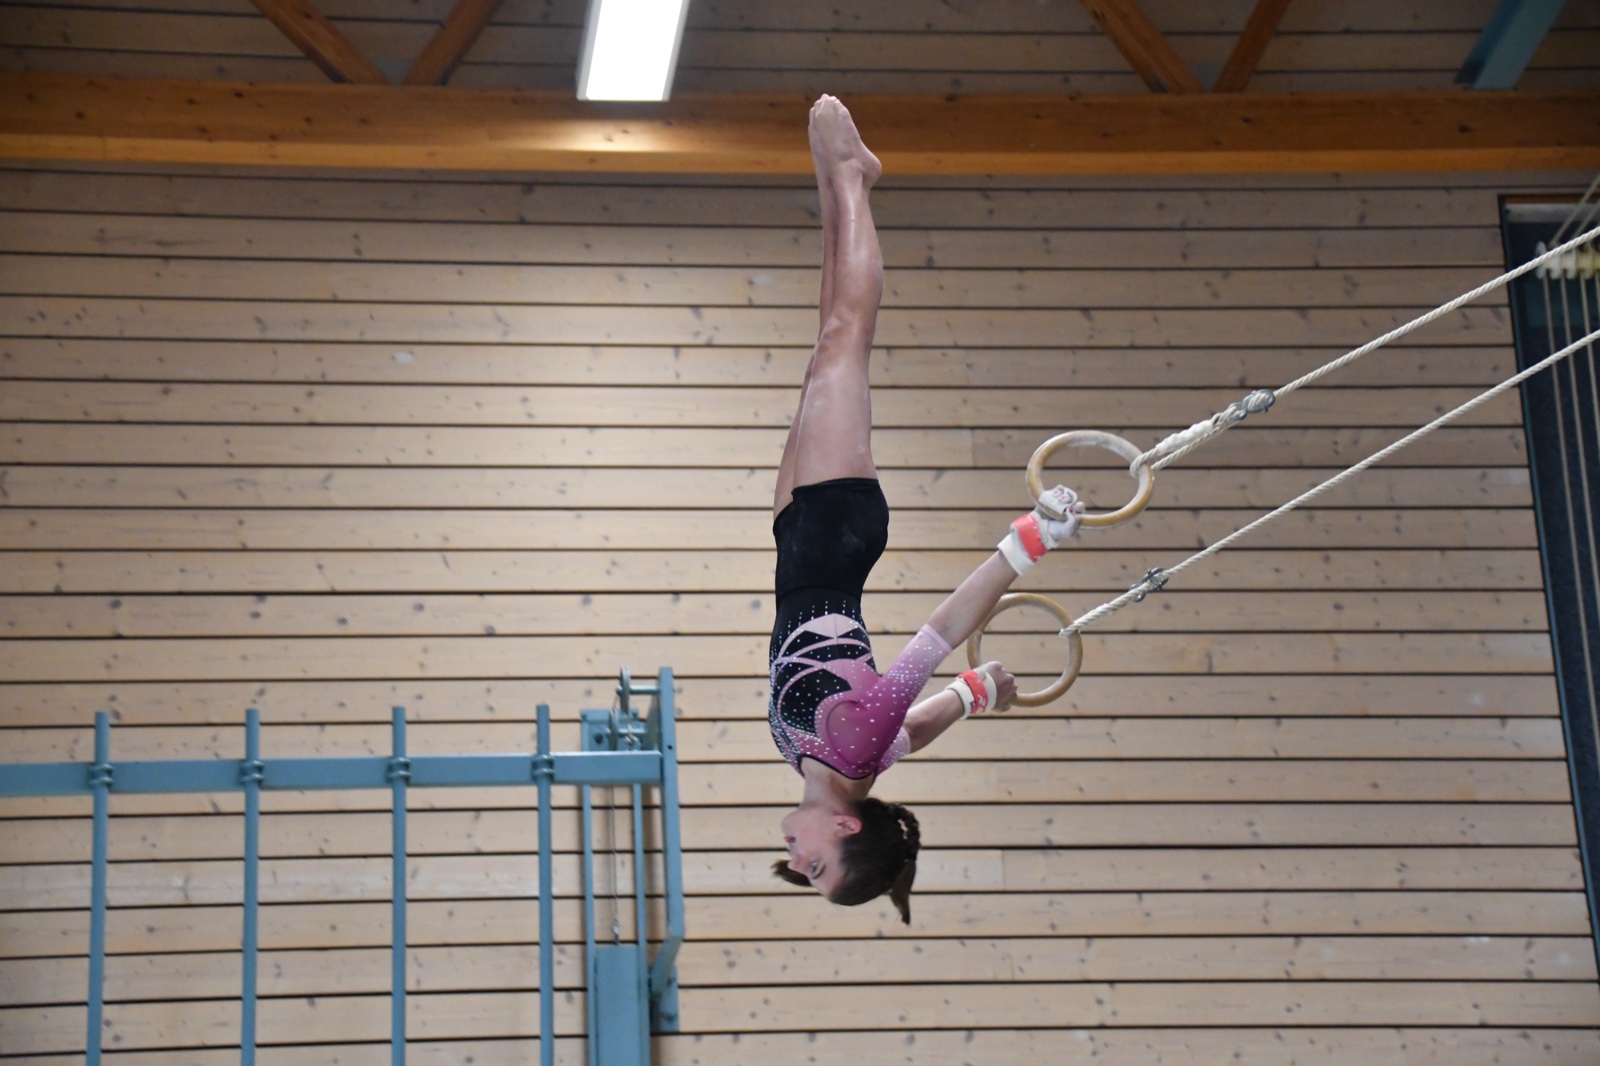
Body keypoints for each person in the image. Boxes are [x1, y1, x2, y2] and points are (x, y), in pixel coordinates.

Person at [768, 95, 1083, 924]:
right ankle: (852, 180)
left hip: (798, 552)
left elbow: (913, 729)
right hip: (835, 543)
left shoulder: (847, 767)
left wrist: (979, 694)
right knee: (846, 337)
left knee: (822, 350)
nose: (798, 864)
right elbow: (933, 639)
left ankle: (838, 186)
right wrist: (1027, 543)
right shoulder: (850, 754)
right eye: (820, 869)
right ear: (843, 829)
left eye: (802, 875)